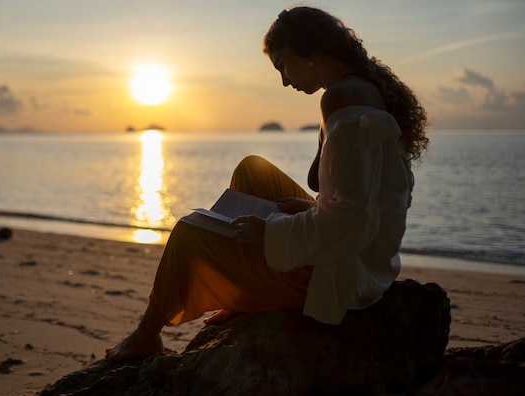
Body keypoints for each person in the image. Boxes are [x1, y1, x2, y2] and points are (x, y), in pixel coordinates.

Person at [106, 6, 428, 361]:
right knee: (252, 171)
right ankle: (245, 293)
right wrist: (305, 208)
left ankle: (146, 336)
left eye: (282, 65)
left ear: (309, 52)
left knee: (188, 231)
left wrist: (270, 230)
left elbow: (353, 222)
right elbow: (363, 201)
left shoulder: (342, 99)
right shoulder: (358, 89)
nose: (285, 81)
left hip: (341, 276)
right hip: (356, 253)